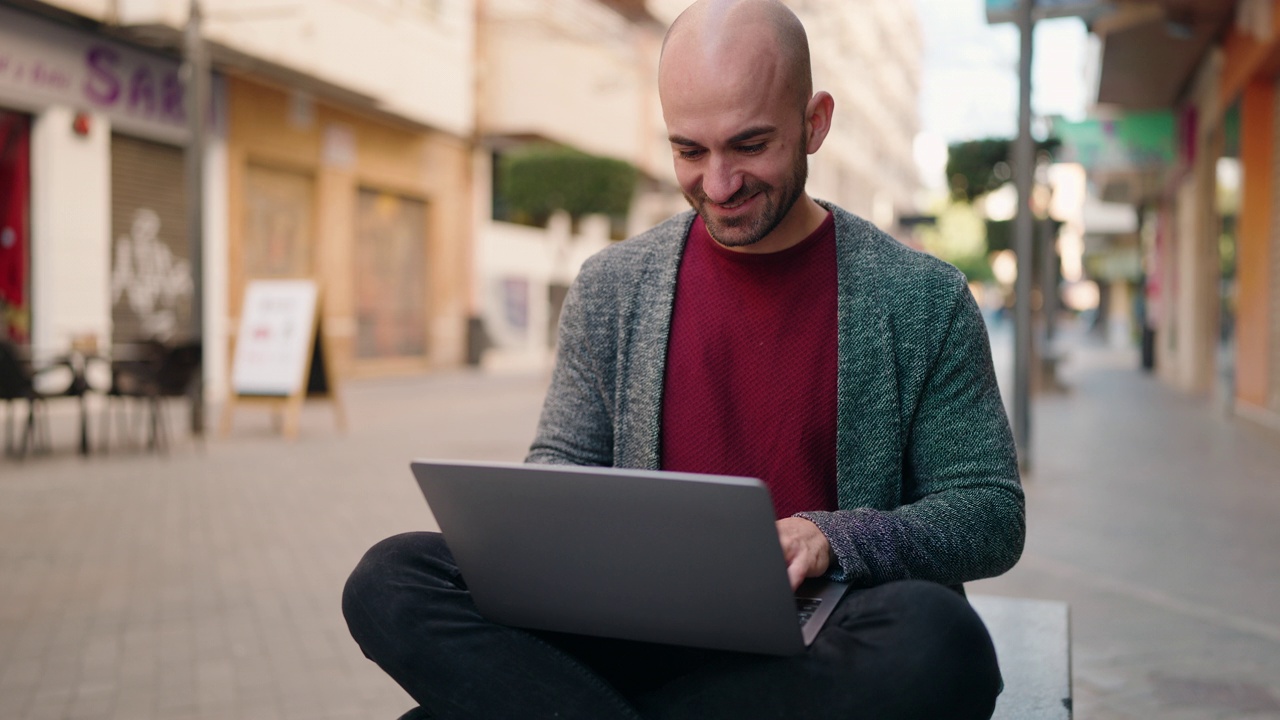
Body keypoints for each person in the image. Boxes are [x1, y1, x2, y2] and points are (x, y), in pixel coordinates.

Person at [343, 0, 1025, 717]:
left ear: (814, 121)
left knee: (939, 641)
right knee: (390, 578)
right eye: (690, 151)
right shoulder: (612, 287)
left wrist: (829, 536)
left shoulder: (920, 297)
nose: (720, 184)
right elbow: (561, 466)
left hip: (821, 632)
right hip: (631, 625)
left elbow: (989, 513)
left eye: (750, 144)